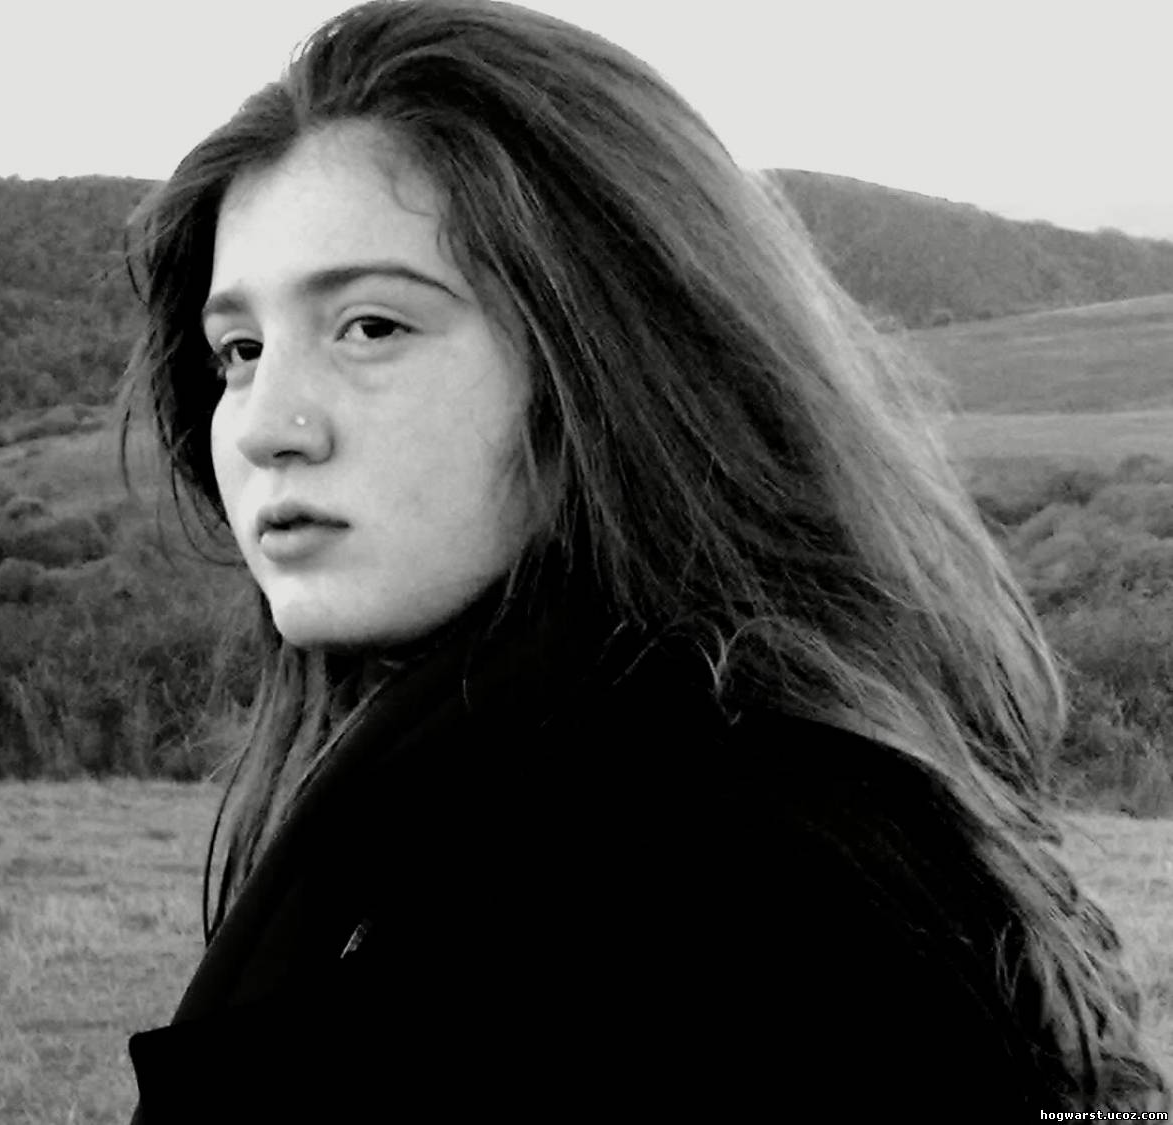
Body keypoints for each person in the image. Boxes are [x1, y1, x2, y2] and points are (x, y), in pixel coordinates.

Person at [120, 0, 1169, 1117]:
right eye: (239, 349)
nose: (265, 424)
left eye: (372, 326)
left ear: (607, 357)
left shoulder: (722, 903)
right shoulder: (490, 811)